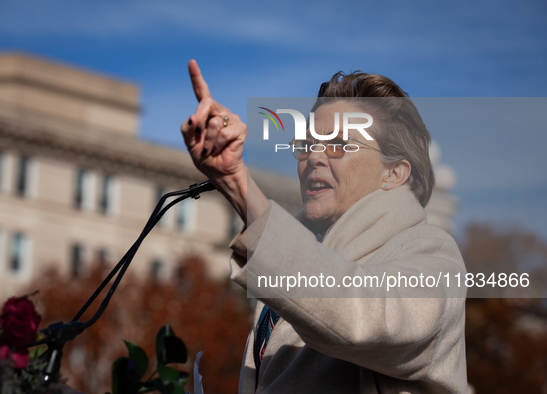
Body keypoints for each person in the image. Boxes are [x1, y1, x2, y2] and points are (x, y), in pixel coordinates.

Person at [180, 60, 467, 393]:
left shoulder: (433, 255)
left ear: (394, 173)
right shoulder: (300, 260)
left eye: (340, 144)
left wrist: (237, 182)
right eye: (306, 145)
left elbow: (358, 316)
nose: (315, 156)